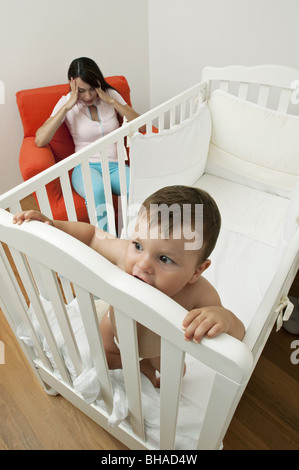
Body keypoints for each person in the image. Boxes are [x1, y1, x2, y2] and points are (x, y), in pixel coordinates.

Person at [12, 185, 245, 387]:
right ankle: (138, 366)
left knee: (177, 374)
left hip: (159, 346)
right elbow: (93, 236)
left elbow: (238, 333)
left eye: (164, 259)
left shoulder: (198, 292)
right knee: (103, 355)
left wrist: (221, 318)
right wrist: (54, 225)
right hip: (114, 328)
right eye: (138, 245)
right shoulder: (126, 255)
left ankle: (147, 363)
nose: (142, 264)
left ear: (196, 271)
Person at [35, 57, 140, 230]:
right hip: (86, 167)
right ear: (72, 85)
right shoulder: (67, 102)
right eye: (82, 91)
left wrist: (112, 102)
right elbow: (40, 139)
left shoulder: (110, 95)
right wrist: (67, 107)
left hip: (115, 165)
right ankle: (106, 245)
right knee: (97, 191)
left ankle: (138, 238)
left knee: (138, 188)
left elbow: (141, 123)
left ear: (98, 82)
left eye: (92, 89)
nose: (88, 96)